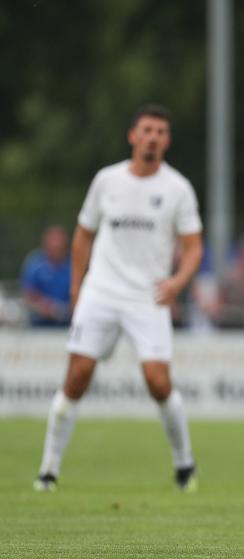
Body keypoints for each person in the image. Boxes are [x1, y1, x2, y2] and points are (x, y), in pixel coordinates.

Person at [34, 104, 204, 492]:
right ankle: (48, 471)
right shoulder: (106, 180)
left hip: (148, 297)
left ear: (167, 140)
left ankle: (184, 465)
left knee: (158, 382)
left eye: (160, 132)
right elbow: (83, 234)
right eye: (146, 130)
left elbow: (194, 247)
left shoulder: (177, 189)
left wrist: (176, 283)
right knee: (77, 376)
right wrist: (78, 285)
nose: (153, 137)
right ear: (132, 136)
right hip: (102, 291)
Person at [20, 225, 72, 327]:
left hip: (67, 322)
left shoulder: (72, 264)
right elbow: (28, 294)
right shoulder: (34, 263)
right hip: (39, 323)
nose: (57, 246)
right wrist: (48, 308)